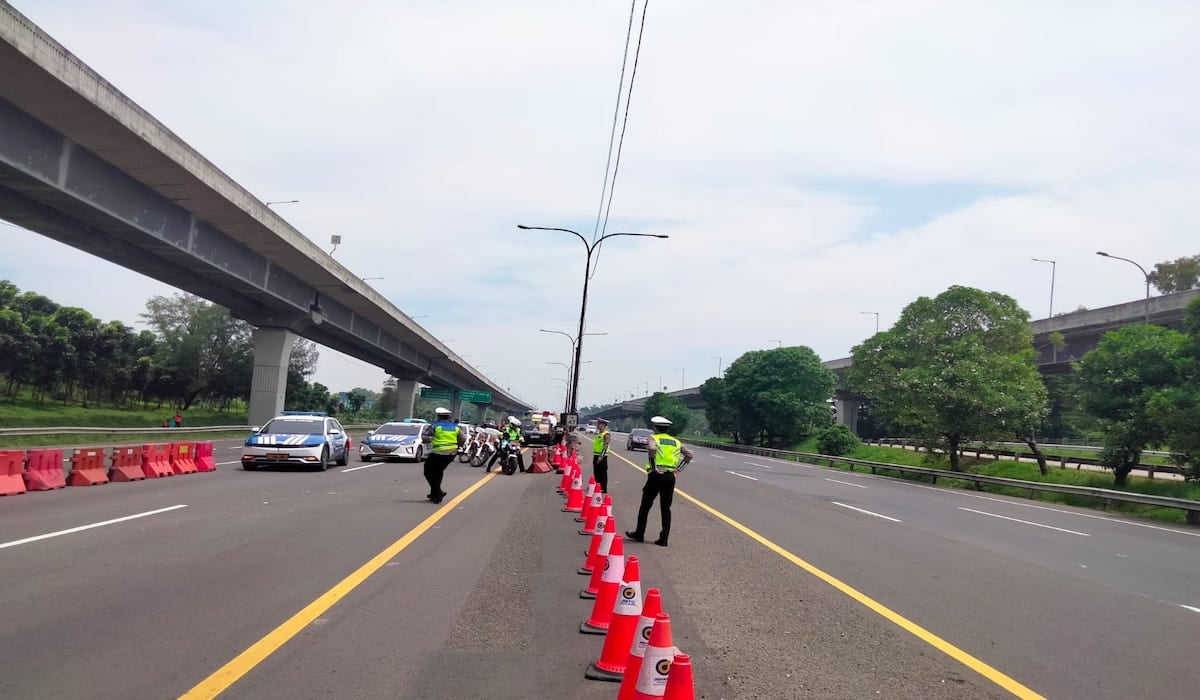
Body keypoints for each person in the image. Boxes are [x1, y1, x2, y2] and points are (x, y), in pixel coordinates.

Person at [626, 415, 692, 547]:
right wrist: (678, 470)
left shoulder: (653, 438)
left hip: (656, 474)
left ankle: (639, 533)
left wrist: (653, 467)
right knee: (666, 508)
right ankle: (664, 539)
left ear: (655, 428)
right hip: (669, 476)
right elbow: (689, 455)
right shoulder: (676, 442)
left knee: (646, 505)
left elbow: (651, 449)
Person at [421, 407, 466, 503]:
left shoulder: (435, 426)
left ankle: (438, 492)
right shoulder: (456, 427)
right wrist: (458, 446)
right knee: (438, 472)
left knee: (428, 471)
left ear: (438, 416)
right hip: (451, 453)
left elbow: (424, 437)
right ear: (449, 417)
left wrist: (429, 441)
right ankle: (434, 494)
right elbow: (463, 438)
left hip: (438, 453)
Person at [592, 418, 612, 492]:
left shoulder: (606, 434)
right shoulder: (598, 434)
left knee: (602, 472)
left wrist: (601, 456)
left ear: (603, 425)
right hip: (596, 454)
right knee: (596, 472)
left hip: (602, 456)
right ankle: (597, 486)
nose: (597, 425)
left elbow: (606, 446)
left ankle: (603, 488)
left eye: (599, 424)